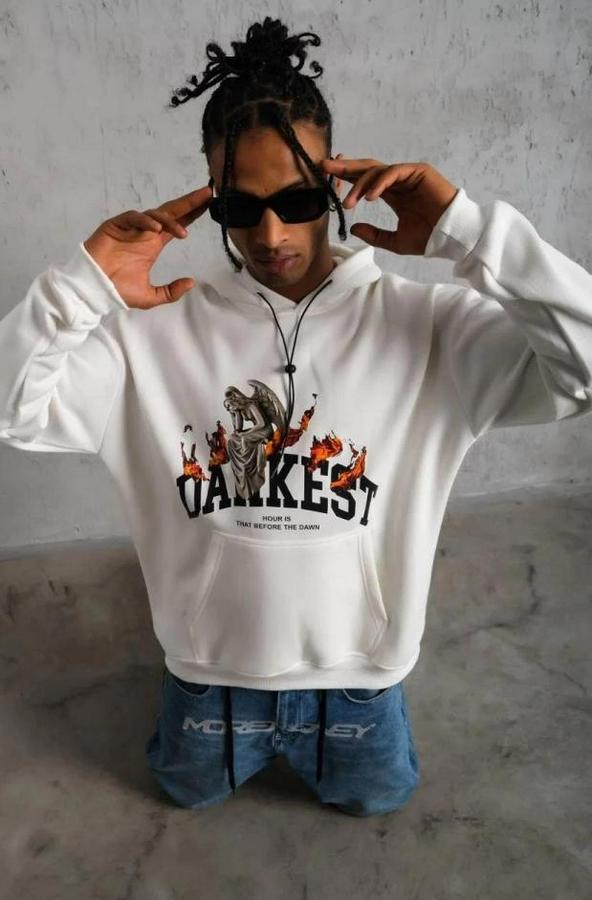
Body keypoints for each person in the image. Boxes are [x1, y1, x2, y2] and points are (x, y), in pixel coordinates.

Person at [1, 16, 591, 818]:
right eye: (240, 208)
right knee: (181, 793)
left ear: (337, 187)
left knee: (378, 800)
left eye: (299, 199)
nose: (270, 234)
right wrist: (80, 288)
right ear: (210, 202)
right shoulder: (149, 337)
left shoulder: (428, 328)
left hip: (359, 687)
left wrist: (470, 234)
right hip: (207, 682)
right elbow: (13, 410)